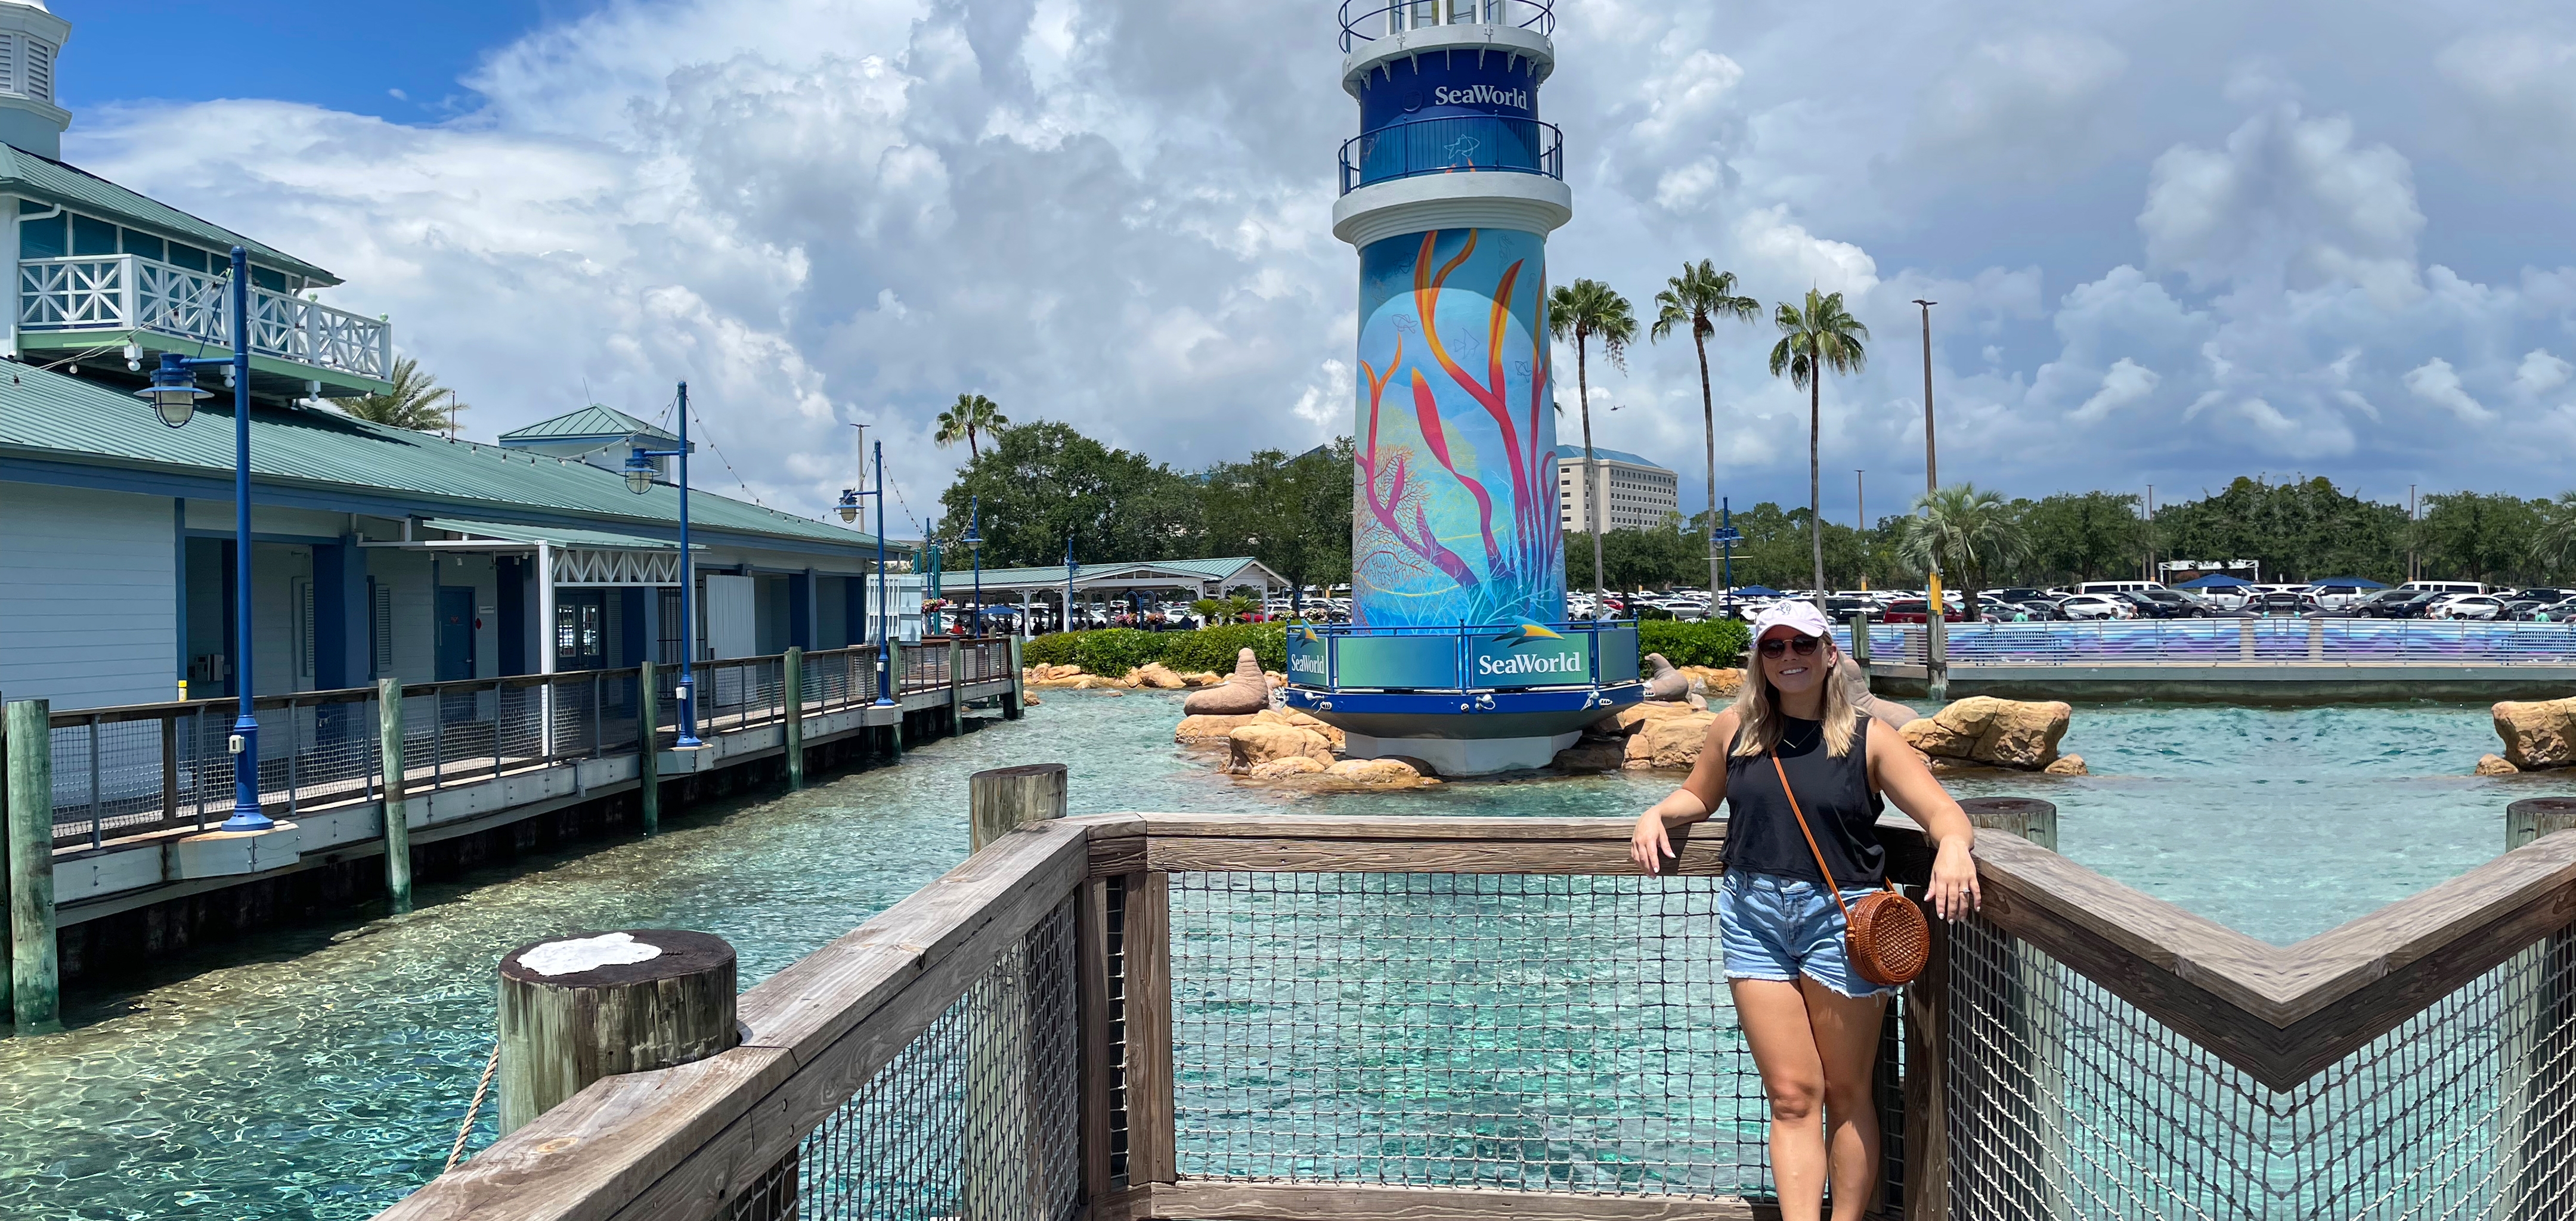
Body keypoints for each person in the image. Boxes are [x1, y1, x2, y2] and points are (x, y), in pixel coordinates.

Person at [1630, 600, 1980, 1221]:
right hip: (1752, 916)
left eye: (1803, 644)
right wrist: (1658, 811)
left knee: (1846, 1094)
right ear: (1759, 659)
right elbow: (1700, 794)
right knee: (1793, 1095)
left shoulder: (1871, 738)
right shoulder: (1735, 728)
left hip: (1841, 922)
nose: (1789, 657)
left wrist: (1953, 845)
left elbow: (1942, 810)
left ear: (1829, 653)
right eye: (1774, 646)